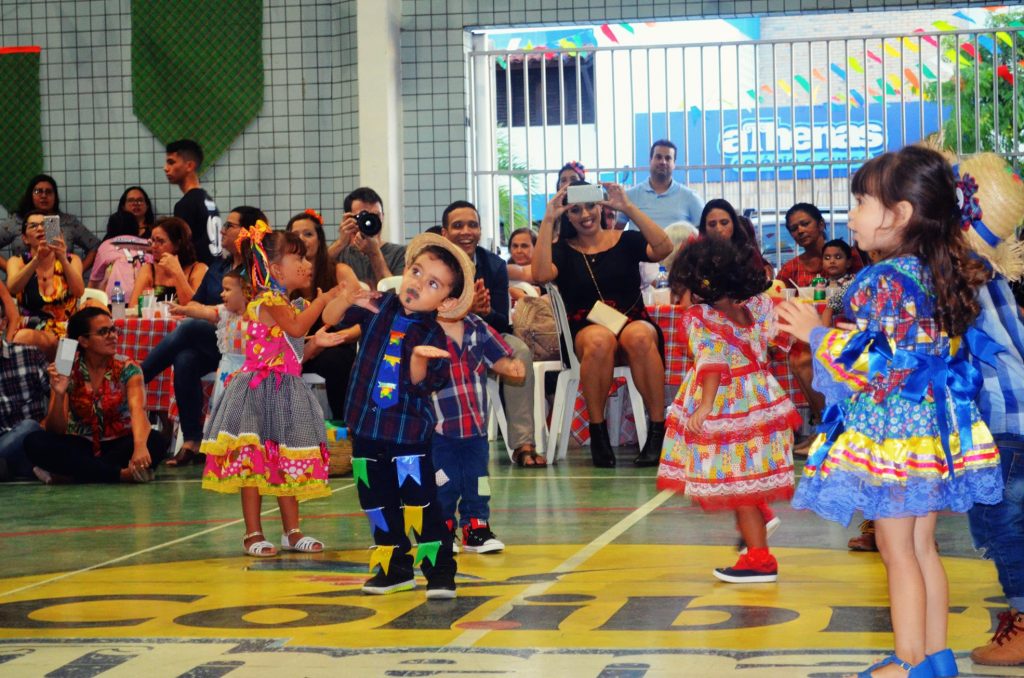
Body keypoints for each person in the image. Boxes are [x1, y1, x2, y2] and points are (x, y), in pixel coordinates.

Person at [777, 145, 1004, 678]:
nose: (851, 215)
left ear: (900, 214)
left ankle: (907, 662)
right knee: (922, 545)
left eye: (860, 202)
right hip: (933, 427)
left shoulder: (880, 279)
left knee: (894, 543)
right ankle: (934, 656)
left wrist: (816, 334)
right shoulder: (934, 270)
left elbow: (884, 364)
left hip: (898, 431)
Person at [322, 232, 474, 599]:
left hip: (407, 439)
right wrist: (345, 300)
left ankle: (439, 571)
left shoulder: (435, 337)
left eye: (432, 283)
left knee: (420, 506)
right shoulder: (380, 305)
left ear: (446, 300)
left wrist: (419, 360)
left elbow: (423, 386)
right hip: (365, 431)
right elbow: (329, 320)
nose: (418, 285)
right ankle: (393, 568)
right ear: (405, 270)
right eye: (417, 272)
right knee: (376, 505)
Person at [658, 237, 799, 583]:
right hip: (759, 398)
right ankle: (760, 523)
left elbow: (712, 362)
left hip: (726, 403)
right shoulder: (760, 305)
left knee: (737, 483)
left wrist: (704, 406)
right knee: (744, 474)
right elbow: (779, 339)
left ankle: (759, 558)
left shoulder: (700, 317)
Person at [201, 225, 336, 557]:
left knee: (284, 460)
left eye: (306, 257)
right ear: (276, 269)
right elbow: (297, 327)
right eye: (297, 257)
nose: (306, 264)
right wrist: (322, 301)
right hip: (259, 392)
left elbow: (294, 344)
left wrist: (320, 333)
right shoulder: (269, 300)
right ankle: (252, 533)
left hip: (285, 390)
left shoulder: (287, 301)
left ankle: (292, 531)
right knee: (255, 465)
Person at [532, 181, 673, 468]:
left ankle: (658, 431)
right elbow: (540, 274)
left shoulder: (626, 240)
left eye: (590, 206)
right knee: (599, 340)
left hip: (631, 322)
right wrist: (548, 219)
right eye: (575, 210)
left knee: (640, 337)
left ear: (601, 206)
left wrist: (628, 208)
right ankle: (598, 433)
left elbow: (664, 247)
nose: (585, 214)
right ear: (567, 216)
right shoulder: (562, 250)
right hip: (586, 331)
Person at [953, 152, 1024, 669]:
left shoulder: (957, 278)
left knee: (999, 522)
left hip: (996, 418)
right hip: (1016, 412)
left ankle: (1023, 620)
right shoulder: (989, 270)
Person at [141, 206, 252, 467]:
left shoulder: (257, 269)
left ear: (248, 232)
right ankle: (192, 440)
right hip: (217, 342)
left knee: (190, 329)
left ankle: (138, 377)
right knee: (184, 358)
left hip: (244, 342)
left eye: (230, 226)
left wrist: (179, 274)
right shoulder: (219, 266)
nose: (223, 230)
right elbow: (195, 304)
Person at [442, 201, 541, 468]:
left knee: (518, 350)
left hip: (483, 337)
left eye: (472, 225)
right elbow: (422, 313)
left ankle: (523, 444)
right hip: (441, 339)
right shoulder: (433, 264)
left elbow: (502, 325)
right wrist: (463, 310)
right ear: (444, 233)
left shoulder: (494, 265)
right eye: (458, 225)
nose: (466, 231)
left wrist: (482, 312)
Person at [24, 307, 166, 484]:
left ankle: (72, 475)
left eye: (113, 330)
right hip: (81, 442)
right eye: (103, 332)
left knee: (156, 442)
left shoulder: (129, 368)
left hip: (119, 442)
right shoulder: (66, 367)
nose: (113, 336)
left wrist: (139, 447)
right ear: (83, 341)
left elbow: (138, 411)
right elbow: (56, 430)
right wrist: (59, 394)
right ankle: (120, 475)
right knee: (34, 442)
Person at [433, 307, 524, 555]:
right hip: (439, 428)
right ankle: (442, 527)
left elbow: (498, 356)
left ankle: (476, 526)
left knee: (479, 479)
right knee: (443, 481)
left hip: (475, 427)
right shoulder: (425, 329)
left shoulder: (477, 326)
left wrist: (509, 365)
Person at [287, 209, 361, 419]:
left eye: (308, 234)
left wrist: (340, 336)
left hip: (335, 347)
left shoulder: (340, 272)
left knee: (336, 359)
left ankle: (344, 424)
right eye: (295, 235)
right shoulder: (283, 280)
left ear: (319, 240)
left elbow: (364, 323)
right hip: (296, 350)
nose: (301, 240)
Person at [6, 209, 86, 359]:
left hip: (66, 334)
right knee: (23, 338)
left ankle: (64, 372)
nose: (40, 228)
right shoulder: (17, 262)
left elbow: (78, 291)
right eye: (33, 226)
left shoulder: (71, 260)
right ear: (25, 238)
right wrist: (36, 260)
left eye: (45, 224)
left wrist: (61, 257)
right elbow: (13, 288)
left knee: (63, 360)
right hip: (30, 329)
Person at [169, 270, 250, 411]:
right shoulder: (224, 313)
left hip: (247, 371)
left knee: (242, 409)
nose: (221, 294)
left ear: (244, 292)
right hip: (227, 369)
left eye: (227, 290)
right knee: (224, 408)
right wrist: (184, 310)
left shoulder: (257, 314)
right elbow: (203, 312)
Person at [0, 281, 49, 481]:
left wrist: (47, 424)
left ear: (3, 323)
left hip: (29, 436)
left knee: (30, 427)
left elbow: (59, 397)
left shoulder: (28, 355)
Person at [0, 174, 99, 272]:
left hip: (58, 282)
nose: (43, 195)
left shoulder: (65, 221)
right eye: (38, 191)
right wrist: (12, 271)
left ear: (55, 196)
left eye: (49, 192)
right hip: (24, 282)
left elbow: (95, 246)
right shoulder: (18, 220)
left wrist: (76, 272)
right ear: (30, 195)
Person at [327, 187, 406, 289]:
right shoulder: (340, 253)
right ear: (348, 219)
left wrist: (374, 253)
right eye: (363, 216)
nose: (370, 221)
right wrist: (341, 242)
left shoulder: (400, 253)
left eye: (376, 215)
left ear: (383, 216)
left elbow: (397, 295)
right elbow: (314, 278)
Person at [622, 140, 703, 229]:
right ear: (650, 160)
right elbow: (614, 232)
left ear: (674, 164)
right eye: (658, 157)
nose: (663, 162)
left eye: (668, 158)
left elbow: (703, 233)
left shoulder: (691, 197)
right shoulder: (629, 196)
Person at [129, 216, 208, 306]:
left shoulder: (198, 269)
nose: (154, 246)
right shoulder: (149, 269)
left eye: (160, 241)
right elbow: (133, 307)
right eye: (153, 240)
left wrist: (177, 273)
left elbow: (195, 309)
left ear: (178, 244)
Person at [165, 139, 221, 265]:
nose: (166, 168)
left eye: (171, 162)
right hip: (216, 271)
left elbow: (183, 250)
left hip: (197, 276)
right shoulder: (208, 200)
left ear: (189, 166)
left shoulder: (186, 204)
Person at [698, 199, 774, 280]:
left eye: (724, 223)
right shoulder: (697, 256)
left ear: (734, 224)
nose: (718, 229)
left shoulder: (747, 254)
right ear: (704, 228)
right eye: (712, 224)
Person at [819, 238, 857, 327]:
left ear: (848, 262)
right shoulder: (821, 285)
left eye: (838, 257)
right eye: (827, 258)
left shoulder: (854, 282)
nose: (832, 261)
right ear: (822, 263)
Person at [506, 227, 541, 301]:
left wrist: (521, 295)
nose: (519, 251)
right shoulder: (502, 275)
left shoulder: (544, 276)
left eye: (524, 246)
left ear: (536, 248)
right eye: (515, 246)